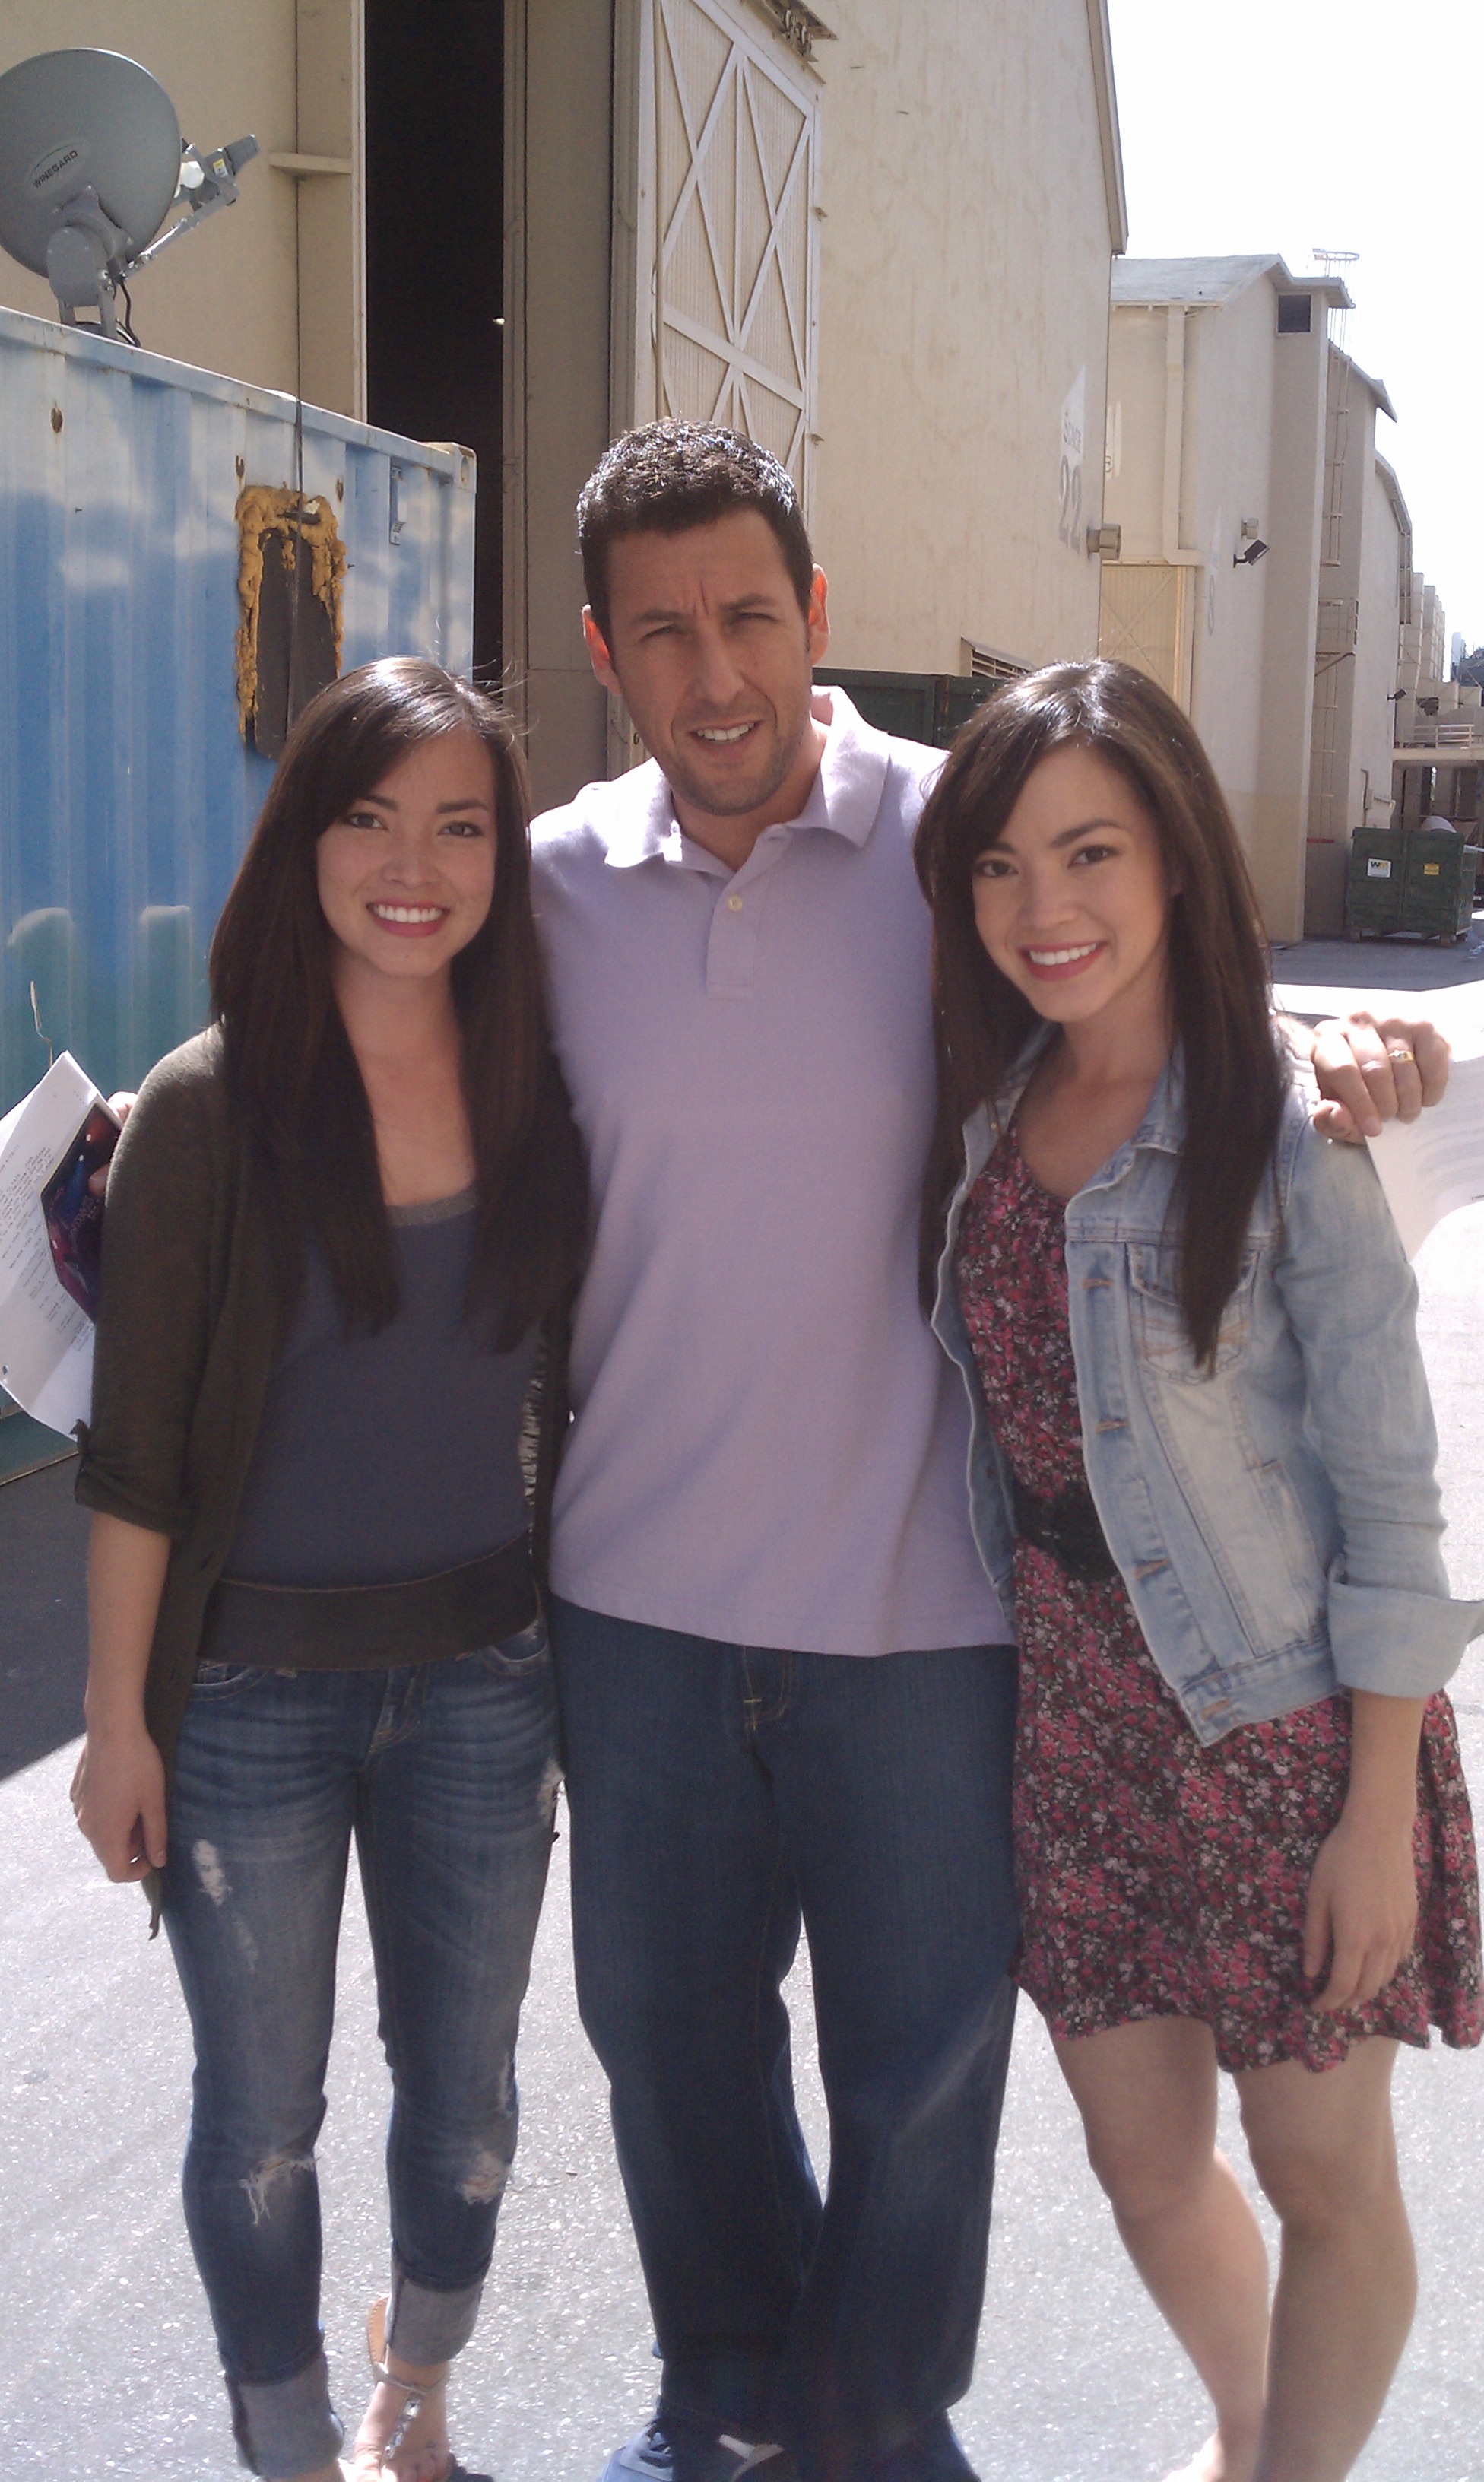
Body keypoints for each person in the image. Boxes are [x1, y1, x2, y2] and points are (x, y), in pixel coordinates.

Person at [529, 423, 1452, 2482]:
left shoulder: (963, 840)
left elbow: (1138, 955)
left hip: (944, 1617)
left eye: (752, 614)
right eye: (664, 632)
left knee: (921, 2076)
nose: (717, 672)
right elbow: (370, 1012)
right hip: (645, 1606)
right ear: (606, 652)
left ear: (819, 615)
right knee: (674, 2058)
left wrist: (1355, 1042)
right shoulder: (549, 888)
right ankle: (738, 2402)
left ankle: (879, 2426)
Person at [912, 656, 1483, 2482]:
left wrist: (1375, 1810)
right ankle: (1250, 2432)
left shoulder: (1284, 1130)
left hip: (1283, 1726)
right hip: (1075, 1725)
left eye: (1087, 853)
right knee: (1141, 2162)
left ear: (1171, 858)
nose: (1042, 908)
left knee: (1321, 2171)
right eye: (998, 866)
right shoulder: (991, 1119)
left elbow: (1395, 1500)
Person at [68, 661, 587, 2482]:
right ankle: (287, 2445)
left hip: (482, 1683)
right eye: (368, 815)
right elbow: (132, 1458)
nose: (412, 864)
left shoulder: (538, 1083)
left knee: (465, 2108)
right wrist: (111, 1725)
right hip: (242, 1712)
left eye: (460, 824)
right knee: (261, 2122)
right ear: (303, 840)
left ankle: (415, 2396)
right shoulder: (207, 1113)